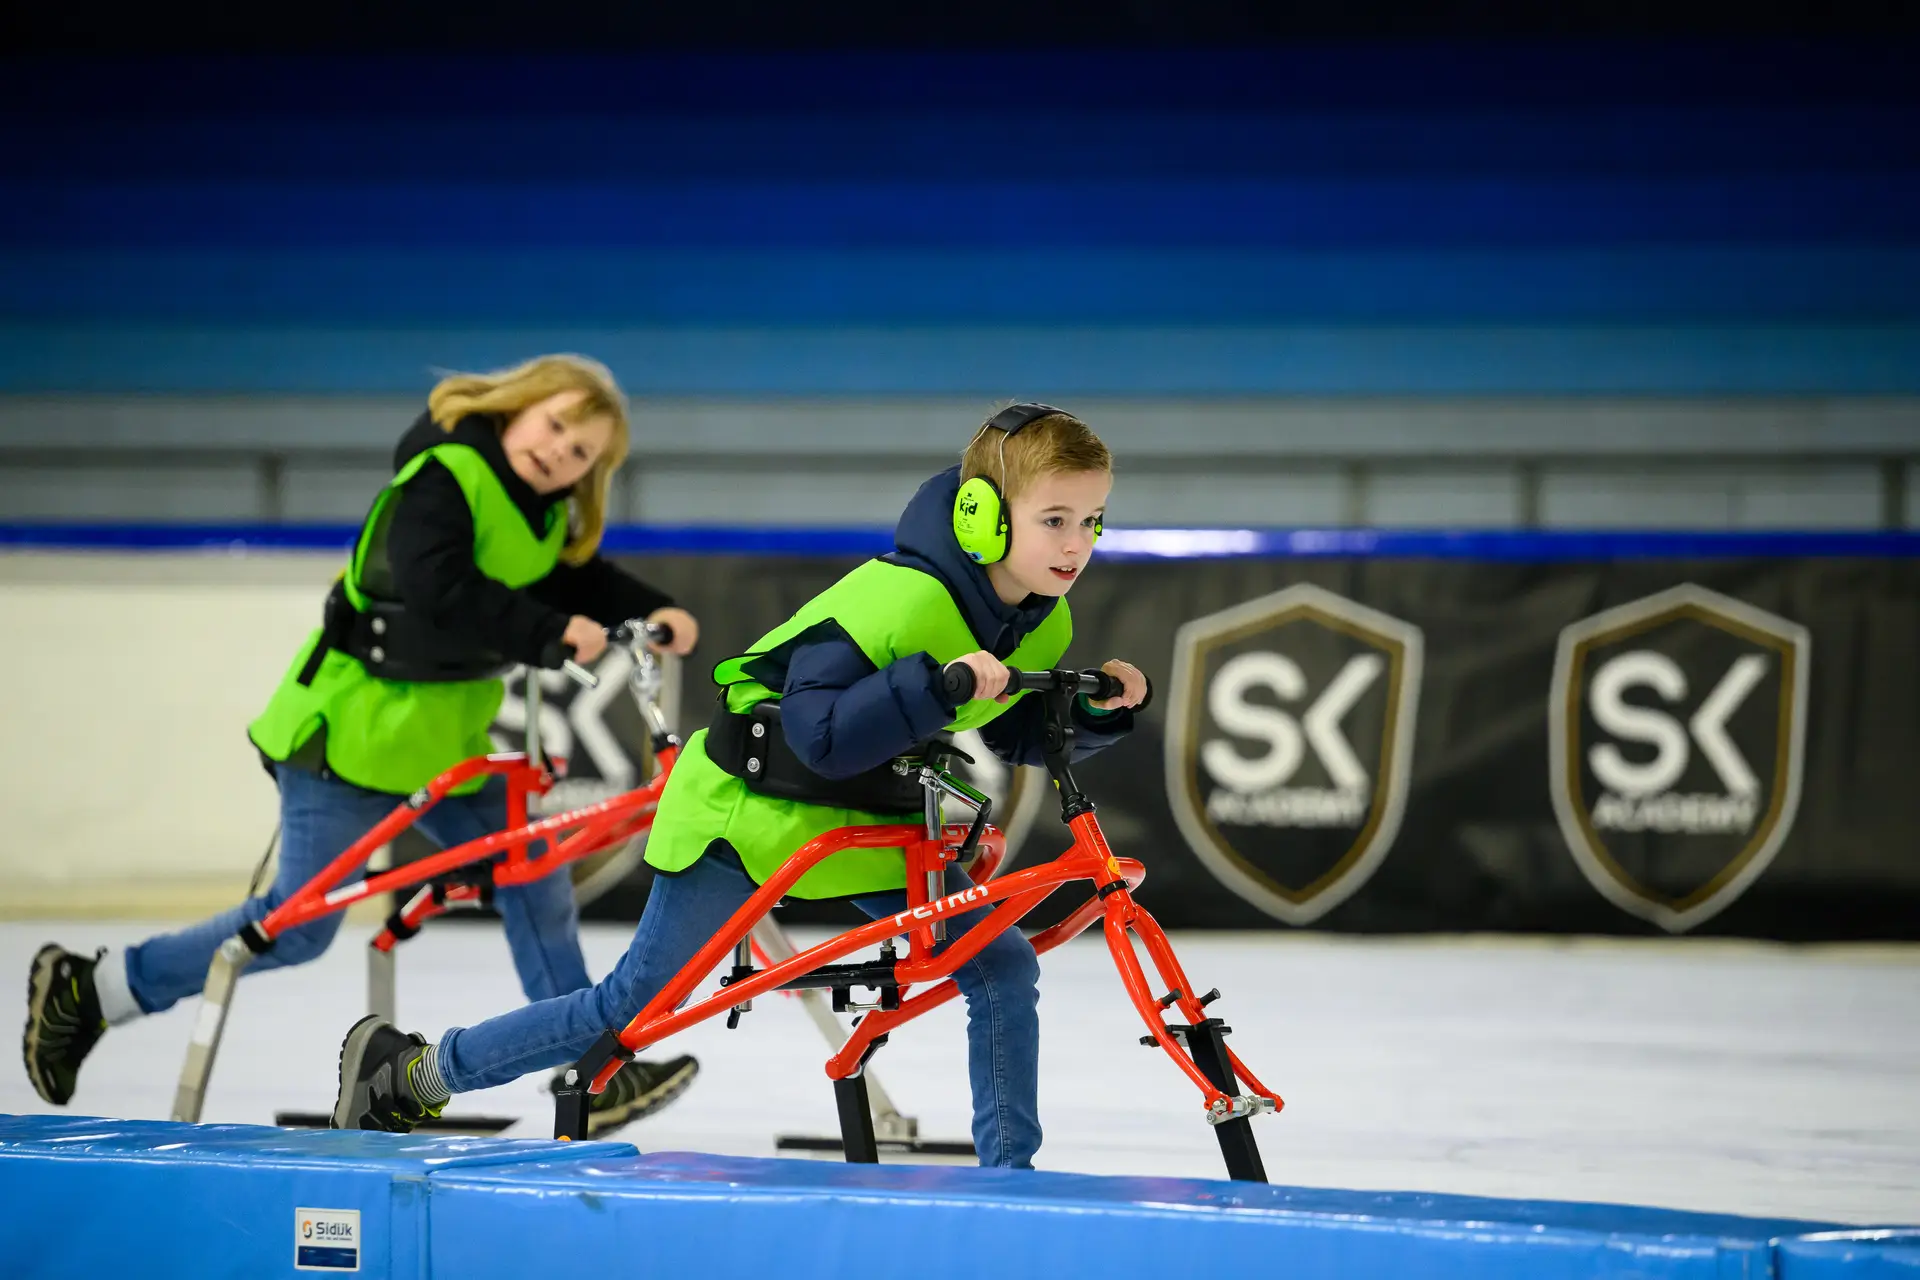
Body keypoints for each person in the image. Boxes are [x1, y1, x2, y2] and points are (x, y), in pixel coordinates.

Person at [329, 403, 1148, 1170]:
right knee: (627, 1012)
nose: (1076, 545)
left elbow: (1013, 731)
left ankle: (1010, 1183)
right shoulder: (895, 597)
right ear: (983, 516)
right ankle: (413, 1074)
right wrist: (938, 689)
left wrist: (1094, 711)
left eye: (1091, 521)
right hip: (744, 812)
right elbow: (818, 736)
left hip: (866, 823)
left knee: (999, 967)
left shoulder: (1045, 613)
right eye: (1054, 521)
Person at [24, 354, 703, 1135]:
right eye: (555, 427)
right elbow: (436, 585)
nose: (559, 454)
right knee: (298, 924)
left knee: (532, 873)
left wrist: (654, 608)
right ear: (516, 407)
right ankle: (94, 990)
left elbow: (571, 579)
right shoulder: (441, 476)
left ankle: (591, 1068)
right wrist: (549, 633)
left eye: (581, 453)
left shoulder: (539, 513)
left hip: (445, 744)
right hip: (347, 738)